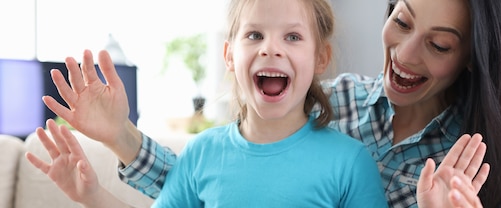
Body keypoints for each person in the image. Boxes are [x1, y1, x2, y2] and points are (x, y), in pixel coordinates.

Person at [37, 0, 501, 207]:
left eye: (438, 45)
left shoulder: (470, 162)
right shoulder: (338, 100)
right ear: (228, 54)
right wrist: (114, 149)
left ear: (471, 60)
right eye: (402, 20)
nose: (405, 53)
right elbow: (207, 184)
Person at [27, 0, 392, 206]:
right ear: (230, 56)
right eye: (254, 34)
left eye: (293, 36)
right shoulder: (202, 153)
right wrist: (90, 194)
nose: (270, 47)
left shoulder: (350, 162)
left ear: (320, 59)